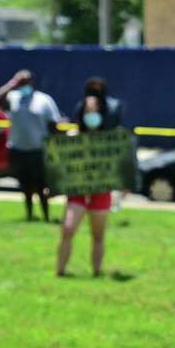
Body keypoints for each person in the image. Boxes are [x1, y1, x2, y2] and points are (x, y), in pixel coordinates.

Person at [56, 93, 116, 277]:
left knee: (98, 235)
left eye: (95, 110)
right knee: (68, 229)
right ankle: (60, 271)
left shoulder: (109, 138)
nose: (92, 114)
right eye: (88, 110)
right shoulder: (73, 136)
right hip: (77, 191)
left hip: (101, 191)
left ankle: (97, 272)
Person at [0, 69, 61, 222]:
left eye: (25, 81)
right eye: (21, 82)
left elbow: (53, 124)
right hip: (18, 149)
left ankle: (46, 214)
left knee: (41, 185)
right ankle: (30, 214)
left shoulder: (44, 100)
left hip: (38, 150)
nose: (23, 84)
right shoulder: (13, 97)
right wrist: (13, 83)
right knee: (25, 185)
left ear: (32, 82)